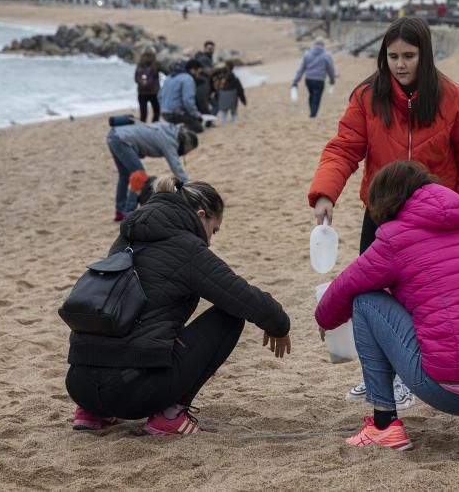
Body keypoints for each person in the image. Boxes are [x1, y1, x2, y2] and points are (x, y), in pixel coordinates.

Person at [307, 16, 459, 409]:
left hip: (435, 221)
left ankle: (407, 378)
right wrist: (326, 193)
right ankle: (377, 376)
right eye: (392, 56)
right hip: (380, 214)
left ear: (425, 55)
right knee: (369, 299)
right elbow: (343, 148)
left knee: (420, 302)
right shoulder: (367, 97)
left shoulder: (454, 98)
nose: (400, 64)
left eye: (409, 55)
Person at [316, 161, 459, 452]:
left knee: (365, 300)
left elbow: (345, 286)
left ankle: (383, 425)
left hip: (451, 389)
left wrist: (325, 319)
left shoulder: (395, 238)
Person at [66, 177, 293, 436]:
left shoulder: (125, 239)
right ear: (200, 215)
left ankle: (92, 412)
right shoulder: (188, 249)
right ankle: (170, 415)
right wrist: (279, 324)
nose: (211, 240)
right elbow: (244, 299)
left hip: (80, 386)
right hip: (133, 392)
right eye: (214, 229)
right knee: (230, 317)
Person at [107, 121, 198, 221]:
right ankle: (129, 212)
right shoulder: (169, 141)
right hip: (123, 140)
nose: (183, 153)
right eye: (187, 150)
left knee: (124, 175)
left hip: (114, 135)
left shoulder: (169, 128)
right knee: (139, 175)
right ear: (185, 142)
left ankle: (120, 211)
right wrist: (190, 187)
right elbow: (176, 168)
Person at [292, 39, 336, 118]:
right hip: (320, 80)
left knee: (311, 95)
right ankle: (313, 113)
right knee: (317, 96)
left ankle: (312, 111)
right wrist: (332, 79)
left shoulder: (307, 54)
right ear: (323, 45)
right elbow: (330, 69)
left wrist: (296, 80)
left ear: (314, 44)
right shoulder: (326, 55)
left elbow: (301, 68)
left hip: (309, 79)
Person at [159, 59, 205, 133]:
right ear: (193, 70)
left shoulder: (168, 78)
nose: (198, 75)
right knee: (199, 128)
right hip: (176, 114)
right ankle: (181, 129)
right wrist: (196, 114)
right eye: (198, 72)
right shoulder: (187, 79)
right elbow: (188, 101)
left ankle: (175, 128)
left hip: (164, 112)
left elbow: (160, 96)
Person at [134, 46, 161, 123]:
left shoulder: (140, 63)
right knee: (156, 112)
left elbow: (136, 79)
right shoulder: (156, 63)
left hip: (141, 93)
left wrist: (143, 83)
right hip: (154, 92)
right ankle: (154, 127)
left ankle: (142, 130)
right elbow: (167, 72)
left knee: (143, 114)